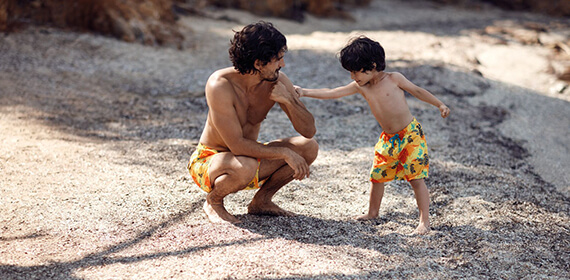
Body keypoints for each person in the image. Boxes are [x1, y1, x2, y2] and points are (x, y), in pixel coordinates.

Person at [295, 36, 450, 234]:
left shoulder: (394, 79)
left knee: (416, 178)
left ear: (373, 65)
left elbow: (417, 91)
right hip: (388, 138)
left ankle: (424, 222)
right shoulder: (361, 87)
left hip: (410, 135)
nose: (352, 77)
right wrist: (305, 92)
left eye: (355, 71)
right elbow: (333, 92)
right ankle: (373, 212)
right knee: (377, 176)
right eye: (350, 72)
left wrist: (439, 104)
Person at [187, 21, 318, 224]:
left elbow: (309, 130)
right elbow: (237, 145)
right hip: (210, 161)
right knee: (245, 165)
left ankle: (261, 201)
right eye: (278, 59)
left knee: (309, 147)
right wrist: (285, 153)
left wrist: (289, 100)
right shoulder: (220, 85)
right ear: (258, 64)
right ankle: (214, 201)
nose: (282, 65)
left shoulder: (277, 80)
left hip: (246, 160)